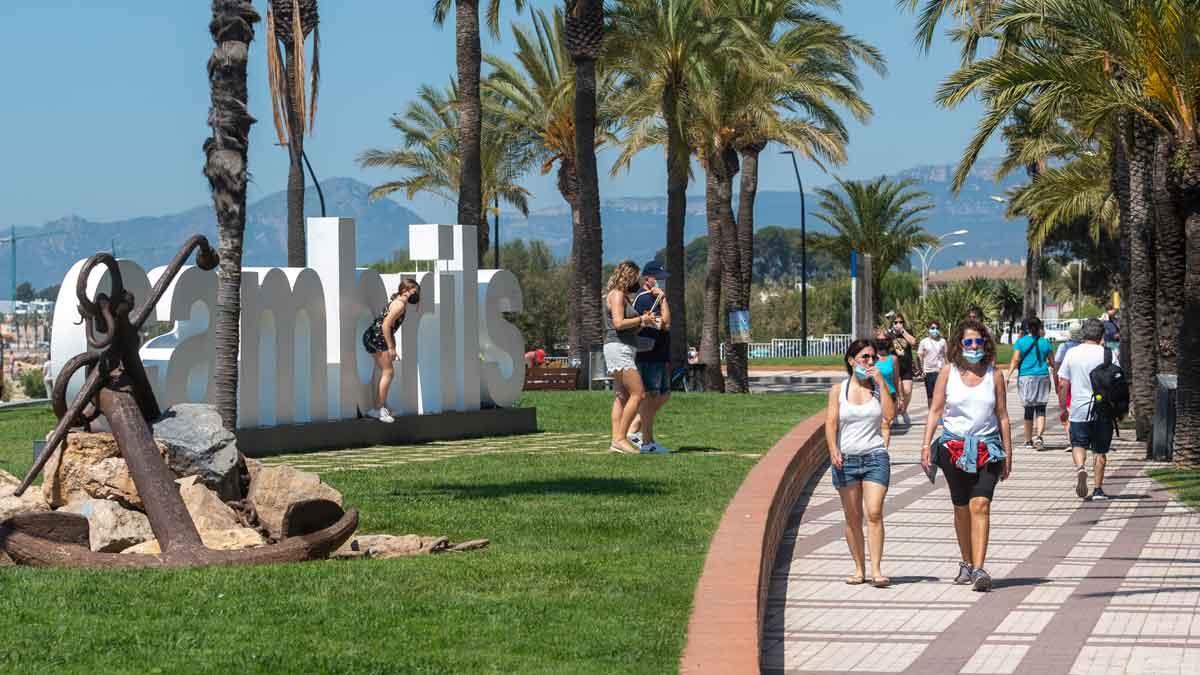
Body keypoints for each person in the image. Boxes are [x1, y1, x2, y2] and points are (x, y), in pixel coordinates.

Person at [920, 319, 1013, 592]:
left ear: (986, 343)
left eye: (979, 341)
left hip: (989, 449)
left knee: (980, 505)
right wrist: (926, 446)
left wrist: (1008, 453)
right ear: (959, 345)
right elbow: (936, 411)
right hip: (954, 449)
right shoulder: (948, 372)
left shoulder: (995, 375)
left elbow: (1003, 416)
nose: (975, 346)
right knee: (961, 507)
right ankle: (966, 562)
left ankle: (980, 569)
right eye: (969, 342)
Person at [824, 339, 895, 587]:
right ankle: (859, 569)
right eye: (865, 357)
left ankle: (876, 571)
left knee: (874, 512)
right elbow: (831, 423)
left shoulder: (877, 388)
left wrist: (882, 384)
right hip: (847, 461)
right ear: (851, 360)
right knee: (853, 518)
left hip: (875, 457)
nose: (870, 362)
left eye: (873, 358)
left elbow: (890, 414)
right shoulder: (838, 390)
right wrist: (833, 449)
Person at [1057, 319, 1115, 501]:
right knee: (1100, 450)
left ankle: (1080, 467)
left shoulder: (1072, 353)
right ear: (1101, 335)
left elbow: (1063, 383)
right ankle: (1098, 489)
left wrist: (1062, 407)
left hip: (1079, 408)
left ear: (1084, 334)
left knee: (1078, 444)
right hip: (1103, 408)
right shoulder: (1108, 354)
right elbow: (1117, 379)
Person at [604, 261, 656, 454]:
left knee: (622, 397)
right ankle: (620, 438)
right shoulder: (617, 295)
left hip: (623, 346)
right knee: (638, 393)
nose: (638, 281)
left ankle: (614, 441)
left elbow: (628, 327)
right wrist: (641, 319)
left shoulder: (623, 297)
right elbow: (618, 323)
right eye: (636, 277)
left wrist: (644, 321)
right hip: (618, 348)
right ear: (628, 276)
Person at [361, 278, 422, 423]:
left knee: (384, 371)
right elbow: (386, 326)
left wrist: (392, 347)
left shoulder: (398, 302)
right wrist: (391, 347)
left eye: (416, 292)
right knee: (388, 372)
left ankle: (381, 406)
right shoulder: (400, 305)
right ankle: (378, 409)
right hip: (377, 338)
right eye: (413, 292)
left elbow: (389, 328)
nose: (415, 295)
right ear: (404, 290)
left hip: (372, 336)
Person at [627, 260, 672, 454]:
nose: (661, 282)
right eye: (658, 278)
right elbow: (665, 324)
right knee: (651, 397)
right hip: (648, 354)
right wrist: (662, 301)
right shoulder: (644, 298)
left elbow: (666, 323)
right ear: (647, 279)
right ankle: (647, 441)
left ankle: (634, 430)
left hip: (659, 353)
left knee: (663, 395)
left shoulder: (656, 298)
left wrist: (662, 300)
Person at [1006, 317, 1056, 450]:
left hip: (1026, 377)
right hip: (1043, 376)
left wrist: (1008, 375)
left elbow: (1016, 359)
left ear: (1027, 327)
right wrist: (1056, 376)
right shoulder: (1045, 342)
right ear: (1040, 327)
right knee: (1041, 408)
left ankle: (1028, 440)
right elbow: (1052, 362)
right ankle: (1039, 436)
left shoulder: (1021, 342)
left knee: (1028, 409)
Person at [887, 312, 918, 426]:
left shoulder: (907, 331)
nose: (899, 324)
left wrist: (903, 331)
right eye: (896, 322)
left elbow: (914, 342)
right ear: (892, 323)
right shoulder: (889, 334)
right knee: (895, 392)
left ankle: (903, 410)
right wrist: (891, 333)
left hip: (907, 366)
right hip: (894, 367)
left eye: (901, 322)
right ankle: (894, 414)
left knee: (907, 391)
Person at [918, 321, 948, 402]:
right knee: (930, 396)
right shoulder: (923, 342)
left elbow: (946, 356)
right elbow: (920, 356)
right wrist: (922, 370)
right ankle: (931, 412)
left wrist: (948, 369)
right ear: (928, 329)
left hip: (940, 371)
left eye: (937, 328)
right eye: (932, 328)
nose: (935, 330)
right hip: (928, 371)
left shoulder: (943, 341)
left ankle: (941, 413)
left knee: (941, 394)